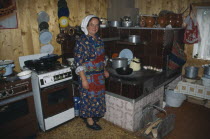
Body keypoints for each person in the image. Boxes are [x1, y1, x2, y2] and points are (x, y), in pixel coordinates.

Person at [74, 15, 109, 130]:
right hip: (87, 75)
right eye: (91, 24)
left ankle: (94, 115)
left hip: (98, 75)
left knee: (97, 97)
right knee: (88, 97)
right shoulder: (81, 41)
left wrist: (104, 70)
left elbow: (102, 57)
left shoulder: (99, 40)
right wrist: (83, 79)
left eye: (97, 25)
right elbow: (78, 62)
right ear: (86, 26)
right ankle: (89, 120)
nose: (94, 27)